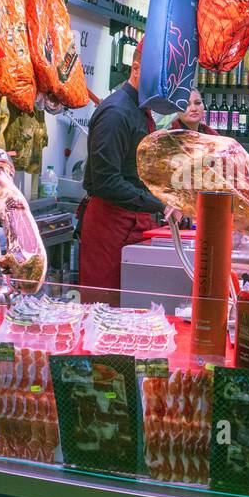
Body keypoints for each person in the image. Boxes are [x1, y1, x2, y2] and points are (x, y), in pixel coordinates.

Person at [78, 42, 164, 303]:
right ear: (135, 68)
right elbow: (106, 181)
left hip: (132, 223)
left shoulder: (140, 110)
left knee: (131, 306)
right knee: (104, 307)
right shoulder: (116, 112)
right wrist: (157, 203)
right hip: (109, 226)